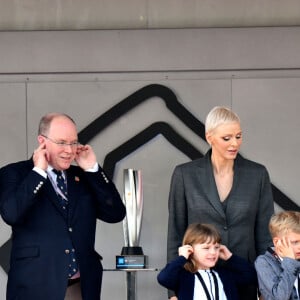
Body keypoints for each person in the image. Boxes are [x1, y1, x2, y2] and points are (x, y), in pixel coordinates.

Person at [0, 113, 126, 300]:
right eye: (61, 142)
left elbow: (116, 213)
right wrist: (38, 173)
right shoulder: (15, 173)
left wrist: (93, 169)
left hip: (81, 287)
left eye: (73, 142)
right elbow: (11, 214)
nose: (69, 150)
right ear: (42, 141)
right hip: (35, 285)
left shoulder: (84, 176)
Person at [167, 106, 274, 300]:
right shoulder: (185, 174)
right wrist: (173, 292)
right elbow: (175, 232)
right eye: (227, 138)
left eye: (238, 136)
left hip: (245, 277)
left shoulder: (257, 174)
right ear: (209, 137)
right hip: (195, 279)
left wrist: (266, 286)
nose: (235, 143)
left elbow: (265, 236)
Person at [158, 223, 257, 300]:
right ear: (190, 249)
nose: (213, 252)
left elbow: (251, 276)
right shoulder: (184, 276)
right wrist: (182, 257)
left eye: (217, 247)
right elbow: (164, 278)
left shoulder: (225, 275)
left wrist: (230, 257)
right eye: (206, 248)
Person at [255, 211, 300, 300]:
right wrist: (290, 261)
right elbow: (280, 297)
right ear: (277, 242)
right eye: (295, 242)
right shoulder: (263, 262)